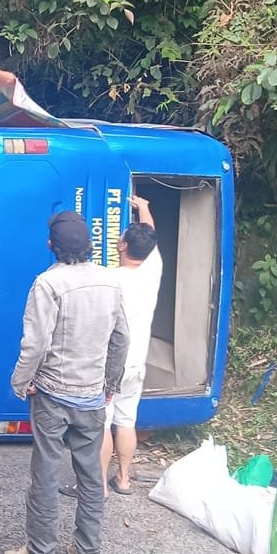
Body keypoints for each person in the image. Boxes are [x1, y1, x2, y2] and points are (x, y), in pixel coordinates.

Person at [5, 211, 129, 554]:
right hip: (92, 397)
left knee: (46, 473)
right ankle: (88, 552)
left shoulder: (48, 283)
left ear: (51, 245)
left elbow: (36, 343)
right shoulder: (110, 281)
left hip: (53, 396)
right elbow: (122, 339)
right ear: (89, 245)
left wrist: (20, 381)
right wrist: (110, 384)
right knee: (91, 476)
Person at [59, 196, 162, 500]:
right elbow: (150, 234)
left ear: (122, 246)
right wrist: (144, 207)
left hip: (110, 363)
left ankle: (99, 485)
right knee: (127, 421)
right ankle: (124, 479)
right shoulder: (153, 269)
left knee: (101, 423)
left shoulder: (108, 278)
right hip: (137, 362)